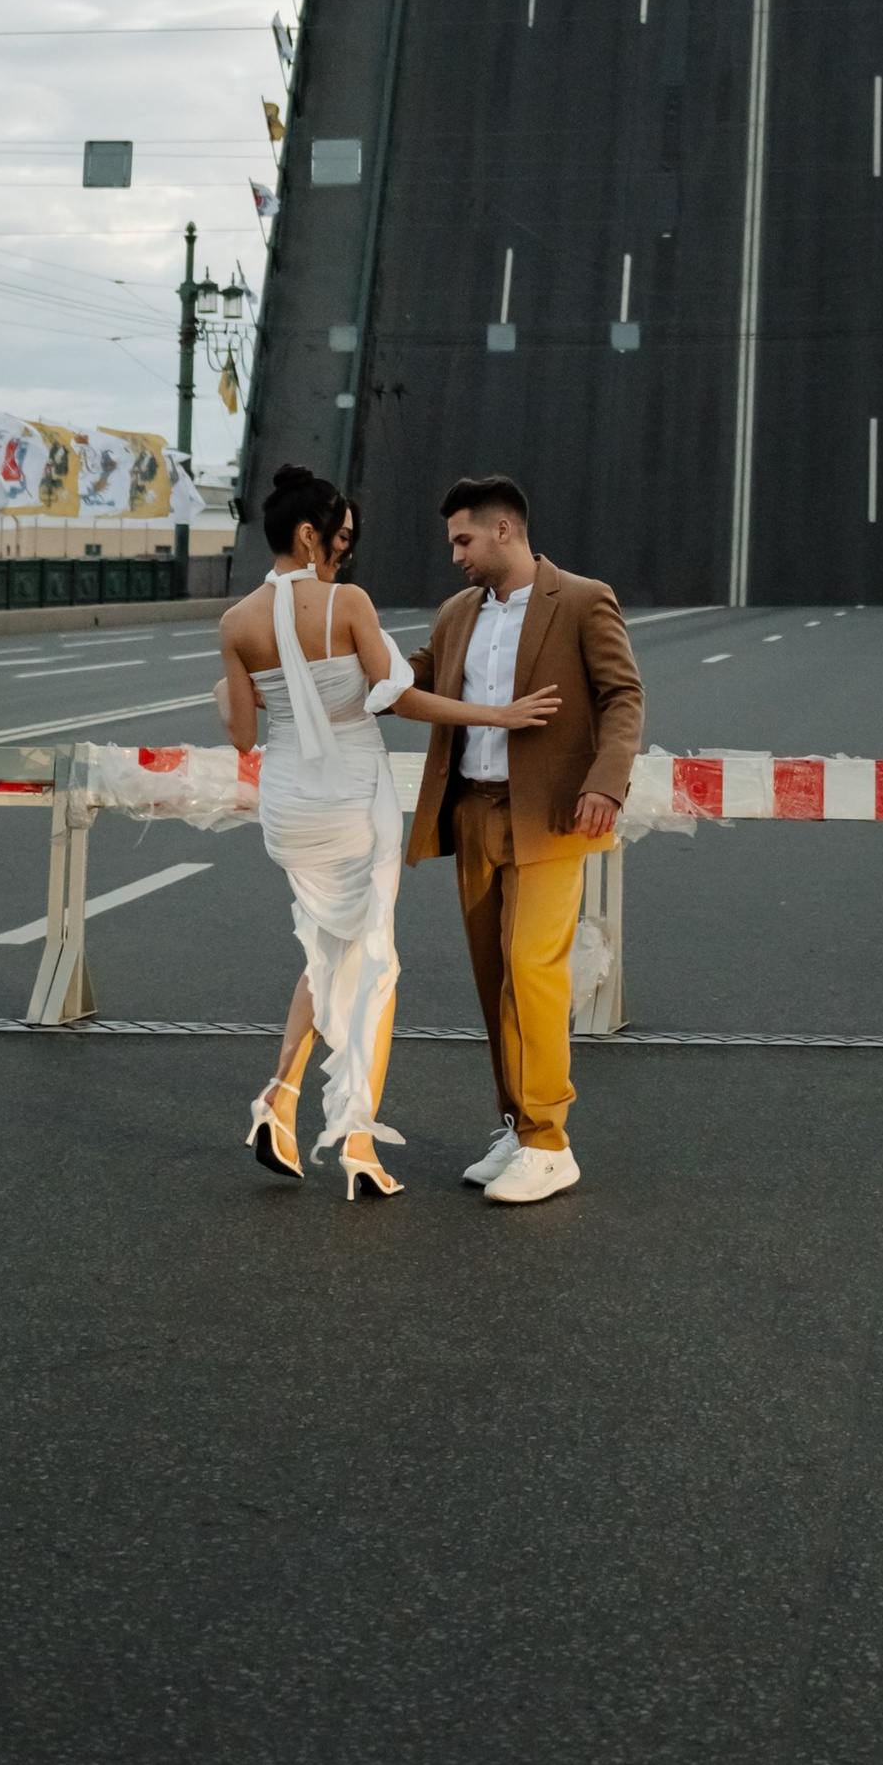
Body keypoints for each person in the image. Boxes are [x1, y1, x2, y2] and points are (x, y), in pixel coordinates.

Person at [217, 466, 563, 1198]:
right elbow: (398, 697)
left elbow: (242, 733)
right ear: (308, 534)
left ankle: (280, 1097)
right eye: (338, 537)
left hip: (289, 802)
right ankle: (357, 1141)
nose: (345, 550)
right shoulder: (346, 602)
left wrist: (229, 689)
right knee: (373, 961)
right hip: (351, 796)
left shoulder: (236, 623)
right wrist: (498, 716)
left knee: (330, 948)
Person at [403, 472, 644, 1209]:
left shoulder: (583, 599)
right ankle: (515, 1125)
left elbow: (622, 694)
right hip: (471, 812)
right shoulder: (456, 613)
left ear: (503, 529)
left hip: (549, 815)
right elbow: (409, 679)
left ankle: (549, 1141)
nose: (455, 555)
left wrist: (607, 781)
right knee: (493, 975)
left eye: (463, 539)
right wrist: (331, 649)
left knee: (531, 968)